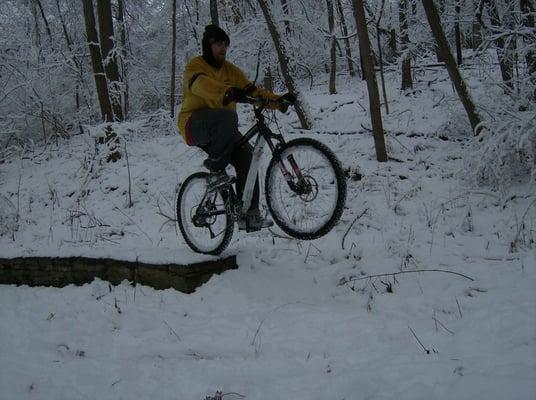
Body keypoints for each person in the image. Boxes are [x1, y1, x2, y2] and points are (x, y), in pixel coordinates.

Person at [177, 25, 296, 231]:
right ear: (208, 45)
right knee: (228, 115)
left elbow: (253, 91)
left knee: (248, 157)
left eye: (225, 44)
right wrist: (228, 92)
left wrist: (278, 101)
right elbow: (200, 85)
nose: (223, 48)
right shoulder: (195, 66)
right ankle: (216, 169)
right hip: (193, 124)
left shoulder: (230, 70)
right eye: (218, 44)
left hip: (223, 129)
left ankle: (249, 215)